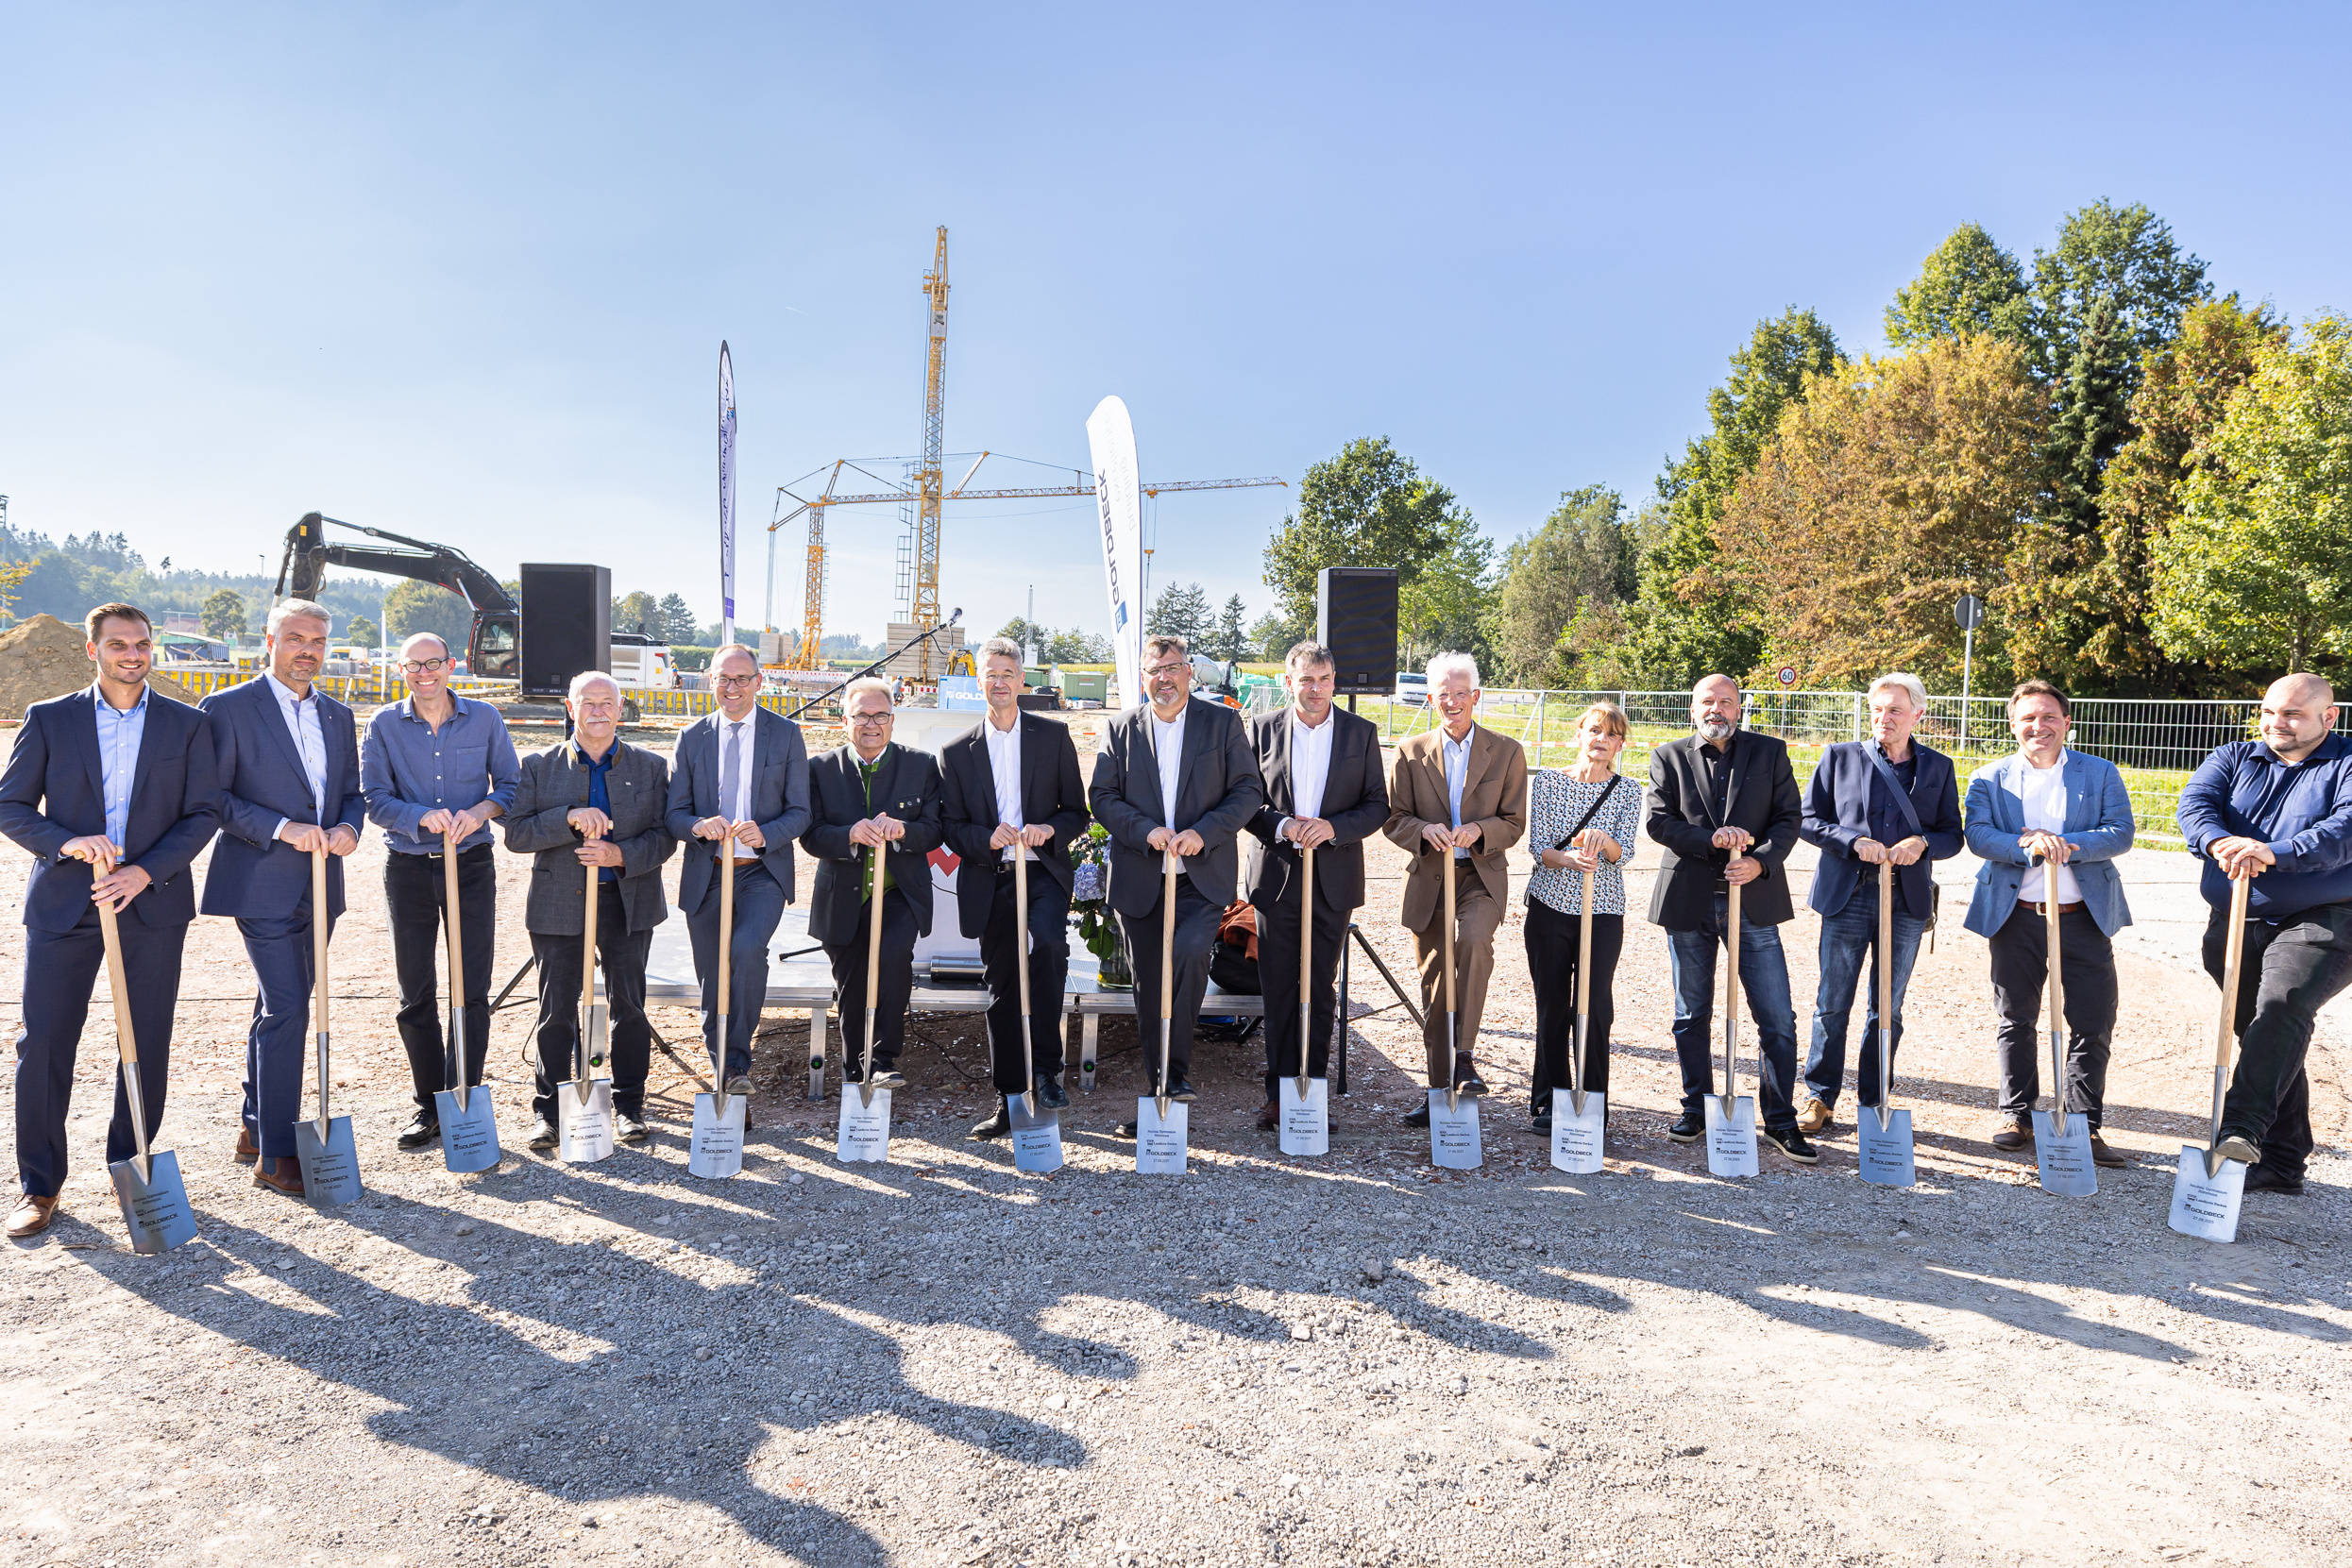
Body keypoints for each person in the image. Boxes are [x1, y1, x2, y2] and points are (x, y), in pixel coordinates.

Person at [1, 604, 216, 1239]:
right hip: (66, 904)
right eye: (118, 644)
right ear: (91, 650)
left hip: (150, 903)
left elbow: (202, 812)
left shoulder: (186, 724)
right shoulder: (49, 719)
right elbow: (10, 805)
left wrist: (146, 871)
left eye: (142, 644)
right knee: (43, 1044)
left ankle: (134, 1172)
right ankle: (39, 1185)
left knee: (145, 1042)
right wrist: (67, 842)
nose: (132, 654)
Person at [198, 599, 366, 1196]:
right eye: (295, 638)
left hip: (322, 886)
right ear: (269, 640)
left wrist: (349, 828)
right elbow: (212, 797)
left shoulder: (340, 715)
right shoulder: (226, 708)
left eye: (318, 641)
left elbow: (351, 792)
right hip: (260, 880)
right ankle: (277, 1151)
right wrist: (281, 828)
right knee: (291, 1007)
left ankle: (251, 1126)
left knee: (278, 1003)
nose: (308, 650)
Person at [2175, 672, 2352, 1196]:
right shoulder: (2233, 756)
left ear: (2329, 716)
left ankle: (2240, 1130)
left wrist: (2277, 853)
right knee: (2265, 1035)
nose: (2277, 724)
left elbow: (2345, 829)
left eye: (2293, 715)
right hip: (2233, 917)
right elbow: (2195, 805)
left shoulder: (2347, 764)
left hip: (2326, 916)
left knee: (2281, 1008)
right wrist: (2218, 842)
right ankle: (2282, 1161)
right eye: (2270, 712)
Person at [1088, 633, 1263, 1126]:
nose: (1163, 678)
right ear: (1142, 678)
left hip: (1200, 877)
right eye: (1152, 670)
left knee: (1187, 954)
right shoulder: (1119, 728)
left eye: (1172, 667)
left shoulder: (1222, 723)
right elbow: (1101, 795)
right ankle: (1158, 1084)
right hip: (1142, 877)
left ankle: (1178, 1074)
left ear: (1189, 672)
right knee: (1148, 981)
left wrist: (1202, 834)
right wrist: (1145, 831)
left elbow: (1247, 790)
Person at [359, 632, 521, 1152]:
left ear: (451, 665)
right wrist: (418, 816)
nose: (424, 673)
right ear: (400, 670)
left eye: (434, 663)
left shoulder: (486, 718)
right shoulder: (384, 725)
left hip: (471, 865)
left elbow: (512, 786)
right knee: (416, 991)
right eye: (413, 666)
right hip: (407, 868)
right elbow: (373, 797)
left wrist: (481, 812)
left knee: (471, 988)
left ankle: (465, 1097)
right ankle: (427, 1104)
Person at [1962, 680, 2134, 1165]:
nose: (2039, 727)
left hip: (2083, 916)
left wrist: (2065, 843)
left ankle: (2083, 1123)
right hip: (2016, 917)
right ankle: (2017, 1114)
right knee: (2016, 1018)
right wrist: (2025, 844)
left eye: (2049, 717)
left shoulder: (2099, 773)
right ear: (2014, 725)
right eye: (2028, 719)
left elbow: (2120, 832)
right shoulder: (1989, 778)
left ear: (2067, 722)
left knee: (2093, 1020)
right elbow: (1978, 834)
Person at [1645, 673, 1813, 1162]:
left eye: (1726, 701)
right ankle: (1696, 1107)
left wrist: (1760, 859)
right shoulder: (1669, 756)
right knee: (1690, 1013)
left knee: (1776, 1017)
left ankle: (1780, 1119)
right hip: (1688, 901)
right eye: (1707, 701)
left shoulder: (1770, 753)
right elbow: (1659, 821)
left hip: (1754, 900)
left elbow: (1789, 818)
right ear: (1692, 707)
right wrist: (1711, 841)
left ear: (1739, 708)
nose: (1716, 708)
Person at [504, 672, 675, 1151]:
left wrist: (620, 856)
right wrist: (567, 819)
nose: (598, 710)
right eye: (588, 702)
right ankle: (550, 1111)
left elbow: (666, 836)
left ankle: (628, 1105)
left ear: (621, 709)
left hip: (628, 902)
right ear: (570, 706)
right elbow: (516, 835)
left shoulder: (650, 767)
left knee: (630, 1009)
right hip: (559, 904)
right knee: (556, 1009)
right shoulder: (538, 766)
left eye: (608, 702)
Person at [1796, 672, 1963, 1132]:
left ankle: (1874, 1101)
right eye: (1877, 708)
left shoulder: (1938, 767)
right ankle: (1818, 1097)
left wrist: (1922, 844)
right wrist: (1852, 841)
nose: (1883, 717)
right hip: (1847, 894)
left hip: (1905, 902)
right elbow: (1807, 820)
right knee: (1832, 1000)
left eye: (1894, 710)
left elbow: (1954, 835)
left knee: (1886, 1006)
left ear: (1917, 715)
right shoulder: (1840, 758)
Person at [940, 638, 1090, 1137]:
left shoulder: (1052, 737)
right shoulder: (957, 752)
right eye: (990, 673)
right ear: (978, 681)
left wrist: (1051, 830)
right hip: (992, 878)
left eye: (1008, 672)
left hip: (1042, 873)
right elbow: (951, 825)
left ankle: (1048, 1072)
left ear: (1022, 679)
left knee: (1047, 947)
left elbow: (1077, 812)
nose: (1000, 682)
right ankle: (1009, 1097)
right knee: (1003, 986)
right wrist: (985, 838)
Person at [1243, 640, 1389, 1131]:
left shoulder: (1360, 733)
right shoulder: (1261, 730)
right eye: (1307, 679)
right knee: (1279, 988)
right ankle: (1280, 1095)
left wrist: (1333, 828)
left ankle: (1312, 1094)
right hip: (1277, 878)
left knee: (1320, 989)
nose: (1316, 689)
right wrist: (1282, 825)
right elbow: (1245, 799)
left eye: (1325, 680)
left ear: (1334, 682)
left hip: (1333, 878)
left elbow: (1376, 805)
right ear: (1289, 681)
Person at [1381, 652, 1528, 1124]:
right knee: (1436, 980)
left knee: (1473, 943)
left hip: (1480, 877)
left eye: (1461, 693)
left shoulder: (1506, 751)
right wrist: (1423, 832)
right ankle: (1439, 1087)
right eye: (1443, 694)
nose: (1452, 702)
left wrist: (1480, 830)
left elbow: (1514, 822)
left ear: (1477, 697)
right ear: (1431, 698)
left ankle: (1464, 1055)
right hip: (1430, 877)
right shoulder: (1409, 752)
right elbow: (1393, 819)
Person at [667, 644, 811, 1106]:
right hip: (707, 870)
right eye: (723, 679)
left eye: (742, 679)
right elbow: (674, 813)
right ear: (710, 681)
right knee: (712, 972)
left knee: (747, 952)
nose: (732, 688)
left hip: (760, 872)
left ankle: (737, 1062)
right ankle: (722, 1065)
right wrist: (696, 826)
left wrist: (765, 832)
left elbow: (801, 812)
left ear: (758, 682)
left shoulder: (785, 735)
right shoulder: (691, 737)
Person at [802, 677, 943, 1090]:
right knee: (851, 980)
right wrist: (847, 833)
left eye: (880, 715)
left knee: (891, 958)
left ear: (893, 720)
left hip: (899, 893)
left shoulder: (920, 765)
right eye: (861, 715)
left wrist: (903, 830)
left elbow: (934, 831)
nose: (871, 724)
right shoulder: (821, 769)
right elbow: (809, 835)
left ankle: (882, 1059)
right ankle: (854, 1069)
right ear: (844, 719)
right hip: (840, 899)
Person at [1523, 701, 1641, 1136]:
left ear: (1620, 745)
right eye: (1594, 731)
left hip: (1603, 911)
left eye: (1610, 735)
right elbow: (1539, 848)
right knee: (1552, 1004)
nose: (1601, 740)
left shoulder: (1628, 790)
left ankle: (1592, 1100)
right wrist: (1567, 859)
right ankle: (1550, 1100)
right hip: (1550, 906)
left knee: (1594, 1007)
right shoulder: (1550, 782)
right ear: (1578, 734)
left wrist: (1604, 841)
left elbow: (1623, 853)